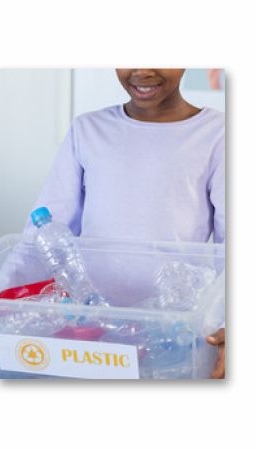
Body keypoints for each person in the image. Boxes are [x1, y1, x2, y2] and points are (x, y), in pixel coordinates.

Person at [26, 68, 225, 378]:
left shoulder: (218, 132)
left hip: (175, 333)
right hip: (87, 330)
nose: (142, 69)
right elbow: (37, 238)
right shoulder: (88, 129)